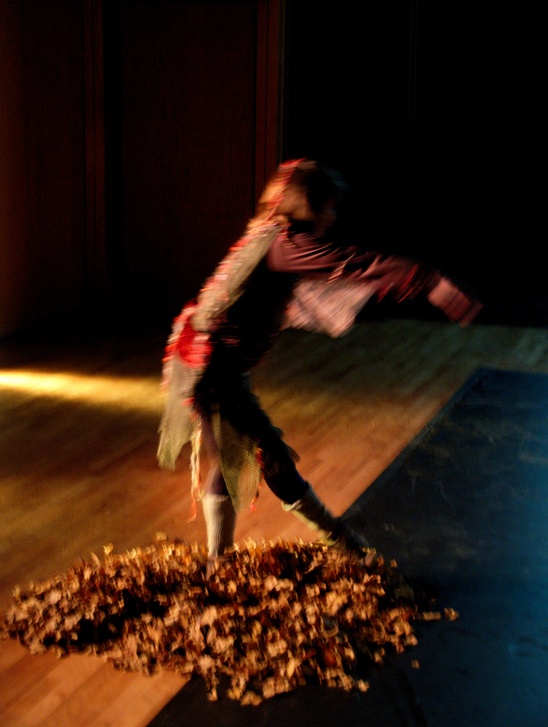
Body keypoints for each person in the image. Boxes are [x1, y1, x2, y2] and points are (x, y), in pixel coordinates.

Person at [157, 158, 483, 571]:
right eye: (328, 207)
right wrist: (425, 279)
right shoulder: (284, 244)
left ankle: (220, 561)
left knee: (237, 459)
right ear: (307, 204)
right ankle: (343, 544)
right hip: (209, 367)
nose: (332, 216)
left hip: (209, 362)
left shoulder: (268, 233)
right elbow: (353, 263)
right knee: (267, 458)